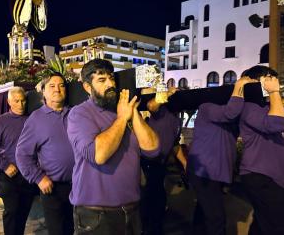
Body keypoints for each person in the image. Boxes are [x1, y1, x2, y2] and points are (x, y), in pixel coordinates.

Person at [67, 59, 160, 235]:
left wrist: (133, 114)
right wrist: (122, 119)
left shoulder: (123, 111)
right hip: (96, 214)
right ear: (87, 87)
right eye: (102, 80)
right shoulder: (79, 114)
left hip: (132, 209)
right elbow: (99, 155)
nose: (110, 84)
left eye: (111, 78)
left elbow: (153, 149)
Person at [187, 75, 254, 235]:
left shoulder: (226, 115)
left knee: (204, 212)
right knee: (216, 218)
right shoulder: (207, 107)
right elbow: (230, 112)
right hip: (204, 173)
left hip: (212, 172)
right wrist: (240, 85)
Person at [16, 72, 74, 235]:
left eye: (62, 85)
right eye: (52, 85)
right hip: (53, 190)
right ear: (43, 91)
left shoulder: (75, 114)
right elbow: (22, 154)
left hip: (80, 186)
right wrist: (38, 178)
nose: (57, 89)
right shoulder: (36, 119)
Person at [0, 87, 37, 235]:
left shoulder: (33, 119)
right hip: (9, 176)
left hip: (29, 175)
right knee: (11, 213)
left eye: (23, 100)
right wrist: (5, 166)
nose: (21, 104)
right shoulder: (0, 122)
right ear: (9, 102)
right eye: (16, 101)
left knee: (23, 213)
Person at [239, 65, 284, 235]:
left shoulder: (270, 108)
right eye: (269, 79)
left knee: (262, 224)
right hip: (261, 176)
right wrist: (274, 93)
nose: (274, 83)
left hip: (274, 177)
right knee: (278, 226)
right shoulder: (249, 107)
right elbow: (277, 123)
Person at [140, 88, 182, 235]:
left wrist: (185, 163)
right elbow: (151, 105)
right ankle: (148, 228)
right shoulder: (161, 112)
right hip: (148, 160)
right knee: (151, 196)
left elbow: (175, 145)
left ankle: (154, 227)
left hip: (160, 163)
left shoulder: (177, 119)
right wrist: (169, 93)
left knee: (157, 196)